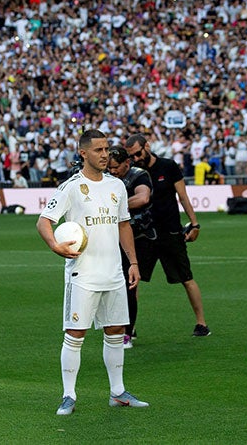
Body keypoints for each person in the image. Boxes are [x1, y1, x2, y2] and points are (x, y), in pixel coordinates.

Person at [36, 129, 149, 416]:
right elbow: (44, 221)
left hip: (113, 272)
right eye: (98, 150)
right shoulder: (71, 187)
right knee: (75, 333)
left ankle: (118, 392)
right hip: (83, 274)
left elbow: (124, 225)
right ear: (83, 153)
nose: (105, 155)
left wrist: (133, 263)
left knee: (116, 331)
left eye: (107, 149)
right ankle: (68, 395)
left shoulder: (116, 186)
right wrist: (54, 245)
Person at [124, 133, 210, 337]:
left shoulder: (168, 166)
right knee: (134, 281)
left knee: (187, 278)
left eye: (137, 153)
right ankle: (130, 327)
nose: (136, 159)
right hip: (143, 235)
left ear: (147, 146)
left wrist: (195, 224)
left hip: (170, 232)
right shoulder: (133, 173)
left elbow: (183, 197)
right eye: (132, 156)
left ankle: (201, 323)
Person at [107, 145, 157, 349]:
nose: (112, 171)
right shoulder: (108, 178)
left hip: (139, 236)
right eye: (109, 167)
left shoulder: (139, 175)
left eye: (116, 167)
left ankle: (127, 332)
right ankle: (123, 327)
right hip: (113, 238)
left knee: (130, 285)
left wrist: (117, 206)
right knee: (117, 284)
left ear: (127, 163)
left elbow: (143, 197)